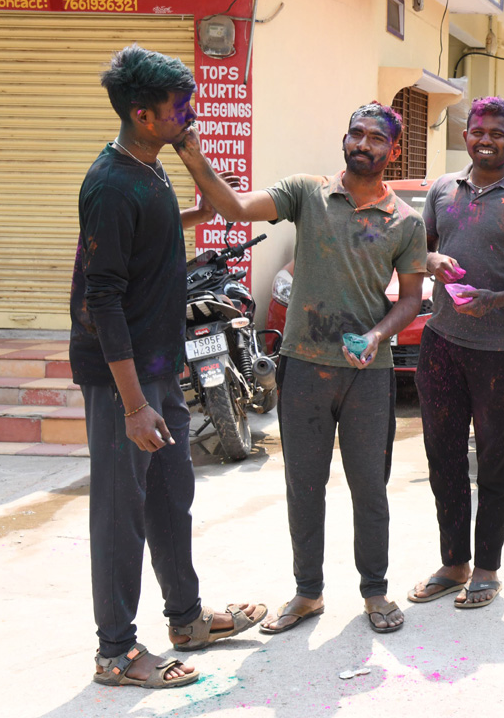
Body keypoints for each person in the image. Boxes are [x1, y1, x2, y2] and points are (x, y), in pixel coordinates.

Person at [175, 102, 428, 635]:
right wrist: (193, 154)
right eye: (354, 133)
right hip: (304, 368)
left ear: (394, 150)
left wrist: (379, 334)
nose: (362, 144)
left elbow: (410, 299)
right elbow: (238, 207)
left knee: (369, 487)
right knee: (304, 485)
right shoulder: (307, 193)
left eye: (375, 138)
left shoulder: (406, 223)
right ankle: (307, 593)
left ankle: (375, 592)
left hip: (367, 373)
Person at [71, 44, 265, 689]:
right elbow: (101, 299)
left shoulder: (150, 168)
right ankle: (116, 652)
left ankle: (185, 619)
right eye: (179, 109)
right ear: (142, 114)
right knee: (120, 511)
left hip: (159, 364)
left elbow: (154, 225)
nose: (192, 113)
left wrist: (195, 186)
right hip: (120, 377)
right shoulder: (109, 182)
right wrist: (133, 405)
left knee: (169, 495)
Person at [406, 97, 504, 609]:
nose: (485, 139)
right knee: (442, 455)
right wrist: (430, 261)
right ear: (465, 134)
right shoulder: (443, 189)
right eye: (476, 131)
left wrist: (493, 300)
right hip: (441, 341)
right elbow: (415, 250)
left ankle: (487, 567)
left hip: (498, 350)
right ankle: (453, 562)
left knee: (493, 459)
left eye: (496, 132)